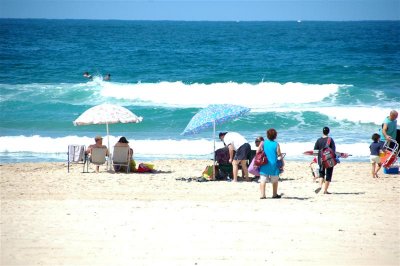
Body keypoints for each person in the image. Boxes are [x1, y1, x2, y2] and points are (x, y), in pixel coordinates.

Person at [258, 128, 283, 199]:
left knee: (263, 180)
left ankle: (263, 195)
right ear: (275, 136)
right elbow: (279, 155)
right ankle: (274, 194)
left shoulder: (263, 143)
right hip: (273, 164)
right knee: (274, 180)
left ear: (267, 135)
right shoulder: (276, 144)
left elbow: (257, 152)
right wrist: (282, 163)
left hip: (264, 163)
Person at [313, 127, 336, 194]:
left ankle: (320, 186)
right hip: (329, 160)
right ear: (328, 132)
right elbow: (333, 151)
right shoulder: (330, 140)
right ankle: (325, 190)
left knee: (321, 173)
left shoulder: (318, 140)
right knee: (329, 174)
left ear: (322, 132)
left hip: (321, 159)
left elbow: (315, 151)